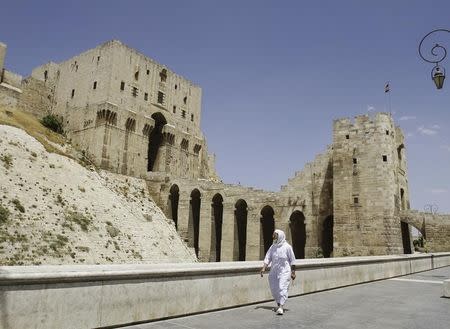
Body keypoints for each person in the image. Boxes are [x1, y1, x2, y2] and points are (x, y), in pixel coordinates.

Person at [260, 229, 296, 315]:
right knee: (274, 288)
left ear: (280, 236)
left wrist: (293, 272)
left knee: (282, 287)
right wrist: (264, 267)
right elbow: (268, 257)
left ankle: (281, 307)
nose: (273, 236)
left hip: (285, 271)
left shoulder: (287, 247)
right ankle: (279, 304)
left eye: (275, 235)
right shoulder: (273, 247)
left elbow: (293, 260)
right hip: (274, 271)